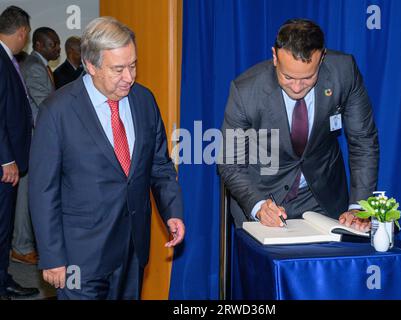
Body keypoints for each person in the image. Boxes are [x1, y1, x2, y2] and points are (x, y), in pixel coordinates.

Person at [29, 17, 185, 300]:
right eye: (118, 69)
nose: (129, 77)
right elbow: (42, 190)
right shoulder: (57, 111)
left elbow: (159, 166)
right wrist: (51, 255)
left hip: (132, 250)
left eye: (133, 65)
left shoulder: (144, 101)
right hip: (80, 256)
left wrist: (172, 211)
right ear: (90, 66)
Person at [218, 19, 379, 231]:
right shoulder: (246, 91)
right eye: (288, 77)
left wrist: (359, 206)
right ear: (275, 57)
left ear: (321, 59)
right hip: (263, 196)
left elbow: (363, 141)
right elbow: (230, 162)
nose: (296, 87)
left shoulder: (344, 72)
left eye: (307, 78)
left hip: (323, 198)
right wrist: (258, 205)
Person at [10, 27, 61, 266]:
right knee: (26, 194)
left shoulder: (39, 66)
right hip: (33, 141)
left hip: (37, 140)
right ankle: (21, 246)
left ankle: (25, 244)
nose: (57, 48)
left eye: (58, 44)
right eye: (53, 45)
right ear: (39, 45)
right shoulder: (33, 67)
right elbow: (45, 107)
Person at [0, 5, 39, 300]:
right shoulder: (1, 60)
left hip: (9, 158)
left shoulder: (7, 59)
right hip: (5, 162)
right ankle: (2, 282)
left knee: (5, 225)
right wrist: (6, 158)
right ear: (23, 32)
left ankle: (3, 276)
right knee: (2, 226)